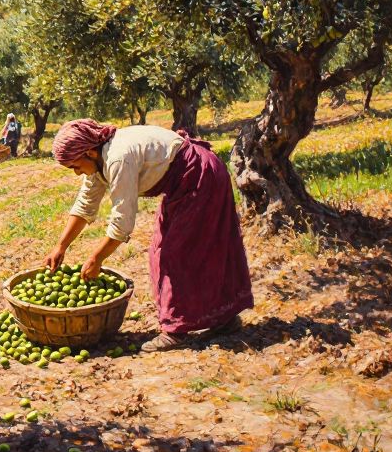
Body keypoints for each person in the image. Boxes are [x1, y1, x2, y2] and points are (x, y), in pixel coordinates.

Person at [45, 119, 252, 352]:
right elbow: (85, 204)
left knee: (175, 256)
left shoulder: (117, 158)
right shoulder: (98, 159)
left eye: (75, 166)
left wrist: (97, 259)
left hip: (199, 177)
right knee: (168, 250)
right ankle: (224, 319)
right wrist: (60, 246)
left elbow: (122, 220)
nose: (76, 173)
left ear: (90, 152)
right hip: (184, 182)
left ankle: (177, 331)